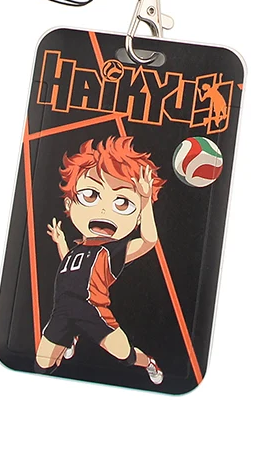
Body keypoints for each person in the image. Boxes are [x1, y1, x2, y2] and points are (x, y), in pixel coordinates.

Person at [35, 136, 166, 385]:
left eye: (123, 202)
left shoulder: (112, 250)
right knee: (42, 364)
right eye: (90, 195)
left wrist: (146, 200)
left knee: (125, 355)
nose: (104, 210)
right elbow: (70, 268)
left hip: (93, 312)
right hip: (62, 310)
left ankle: (149, 363)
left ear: (137, 217)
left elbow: (149, 240)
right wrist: (61, 242)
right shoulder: (78, 249)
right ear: (69, 203)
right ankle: (71, 336)